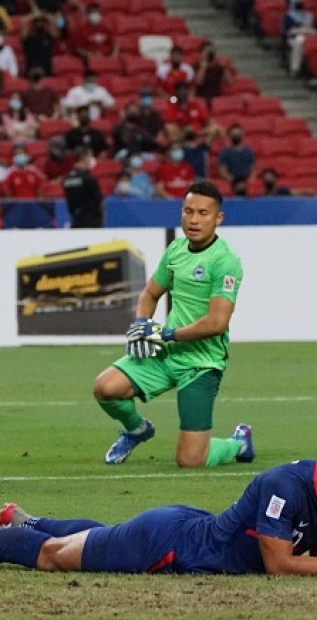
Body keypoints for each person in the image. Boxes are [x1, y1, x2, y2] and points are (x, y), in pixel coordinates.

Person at [0, 441, 317, 578]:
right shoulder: (285, 487)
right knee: (52, 556)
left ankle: (28, 520)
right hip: (169, 546)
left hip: (185, 527)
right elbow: (281, 566)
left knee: (100, 536)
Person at [94, 182, 248, 468]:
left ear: (218, 218)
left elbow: (217, 322)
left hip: (201, 362)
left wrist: (165, 334)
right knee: (105, 387)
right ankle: (137, 429)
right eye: (188, 211)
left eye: (203, 213)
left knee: (191, 460)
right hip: (166, 352)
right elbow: (150, 294)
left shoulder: (225, 261)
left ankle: (238, 443)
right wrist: (142, 323)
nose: (194, 219)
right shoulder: (176, 249)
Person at [62, 148, 103, 227]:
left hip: (76, 221)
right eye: (90, 157)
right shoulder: (89, 179)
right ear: (84, 158)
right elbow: (99, 202)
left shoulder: (66, 179)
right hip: (92, 223)